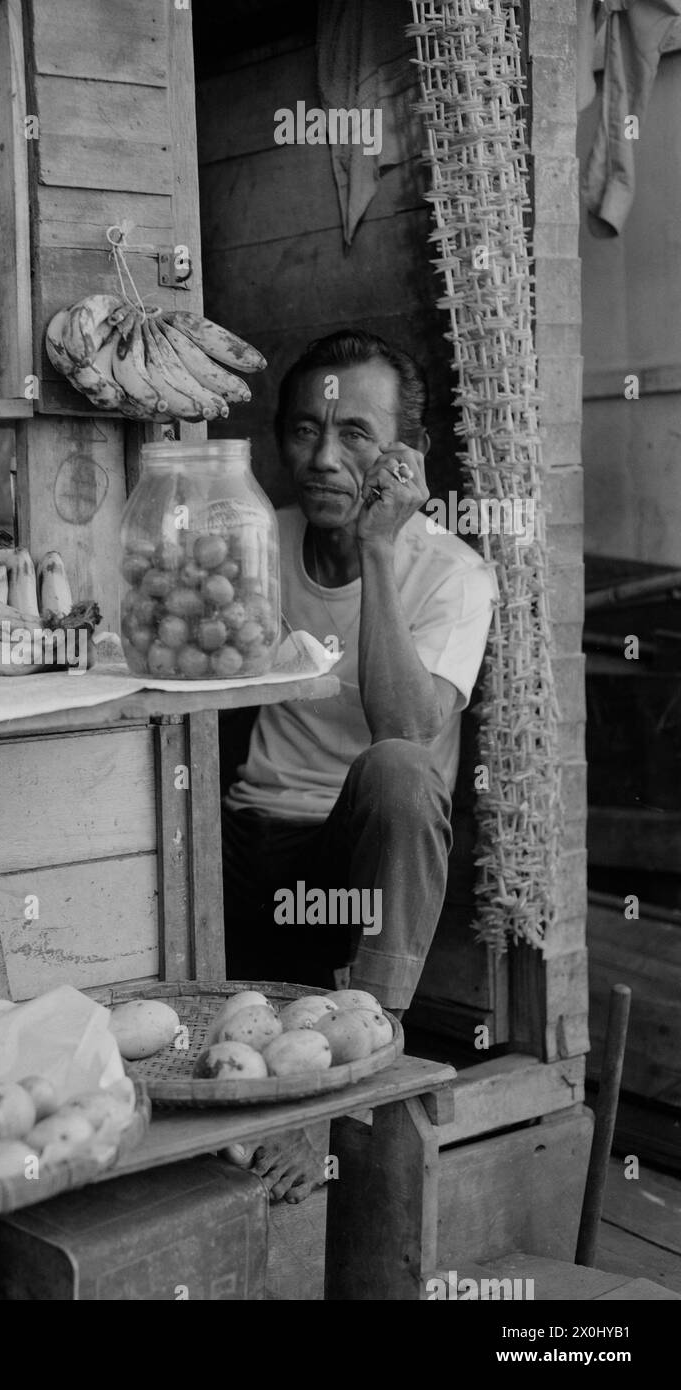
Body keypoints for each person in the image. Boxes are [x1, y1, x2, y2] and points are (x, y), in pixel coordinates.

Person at [221, 329, 497, 1200]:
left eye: (356, 436)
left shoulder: (452, 574)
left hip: (359, 866)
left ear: (406, 456)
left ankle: (370, 1046)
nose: (325, 458)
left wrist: (377, 549)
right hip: (248, 852)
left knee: (398, 769)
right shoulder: (257, 542)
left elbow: (408, 725)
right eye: (305, 431)